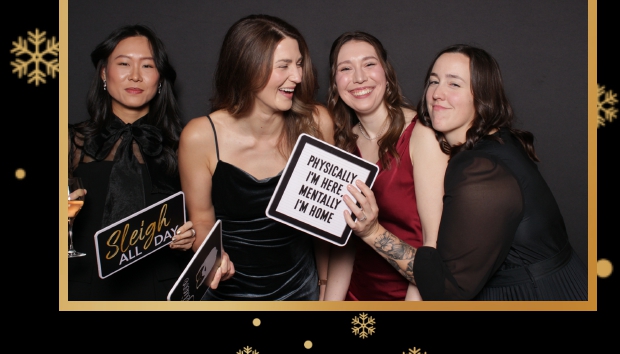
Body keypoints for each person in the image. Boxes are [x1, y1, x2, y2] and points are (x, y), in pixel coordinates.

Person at [340, 45, 588, 301]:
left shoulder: (480, 169)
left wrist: (372, 232)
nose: (438, 94)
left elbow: (447, 287)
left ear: (481, 96)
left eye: (454, 84)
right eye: (434, 81)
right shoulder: (497, 140)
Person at [178, 15, 334, 300]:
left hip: (300, 290)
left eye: (299, 64)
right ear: (247, 68)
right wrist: (214, 257)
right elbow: (201, 220)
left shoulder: (316, 123)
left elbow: (325, 225)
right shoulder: (199, 137)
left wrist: (325, 286)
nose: (298, 77)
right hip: (228, 294)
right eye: (283, 66)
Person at [68, 23, 219, 300]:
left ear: (160, 78)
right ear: (104, 73)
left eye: (147, 66)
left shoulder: (185, 145)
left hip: (161, 289)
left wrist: (189, 237)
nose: (135, 76)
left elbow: (202, 220)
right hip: (84, 286)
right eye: (124, 63)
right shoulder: (71, 141)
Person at [323, 32, 446, 302]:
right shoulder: (344, 144)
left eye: (369, 64)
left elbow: (433, 248)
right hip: (357, 295)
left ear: (386, 73)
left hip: (411, 295)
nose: (359, 77)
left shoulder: (421, 135)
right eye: (346, 68)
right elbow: (346, 243)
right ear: (335, 82)